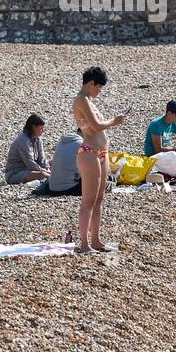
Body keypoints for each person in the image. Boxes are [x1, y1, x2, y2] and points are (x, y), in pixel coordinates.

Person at [71, 67, 126, 254]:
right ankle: (85, 244)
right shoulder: (81, 100)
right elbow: (94, 126)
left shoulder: (89, 101)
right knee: (88, 200)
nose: (100, 90)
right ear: (90, 83)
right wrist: (114, 121)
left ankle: (95, 240)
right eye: (99, 86)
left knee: (99, 199)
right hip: (89, 152)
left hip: (101, 153)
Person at [143, 100, 176, 164]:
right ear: (169, 113)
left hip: (166, 153)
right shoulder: (156, 125)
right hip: (153, 155)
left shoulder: (174, 124)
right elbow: (158, 150)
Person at [5, 114, 49, 185]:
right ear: (34, 127)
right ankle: (53, 178)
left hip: (30, 169)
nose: (43, 131)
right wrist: (44, 171)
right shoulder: (23, 140)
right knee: (42, 174)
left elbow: (42, 157)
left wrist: (46, 168)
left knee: (53, 162)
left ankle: (51, 176)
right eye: (41, 128)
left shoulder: (38, 139)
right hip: (15, 173)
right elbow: (29, 162)